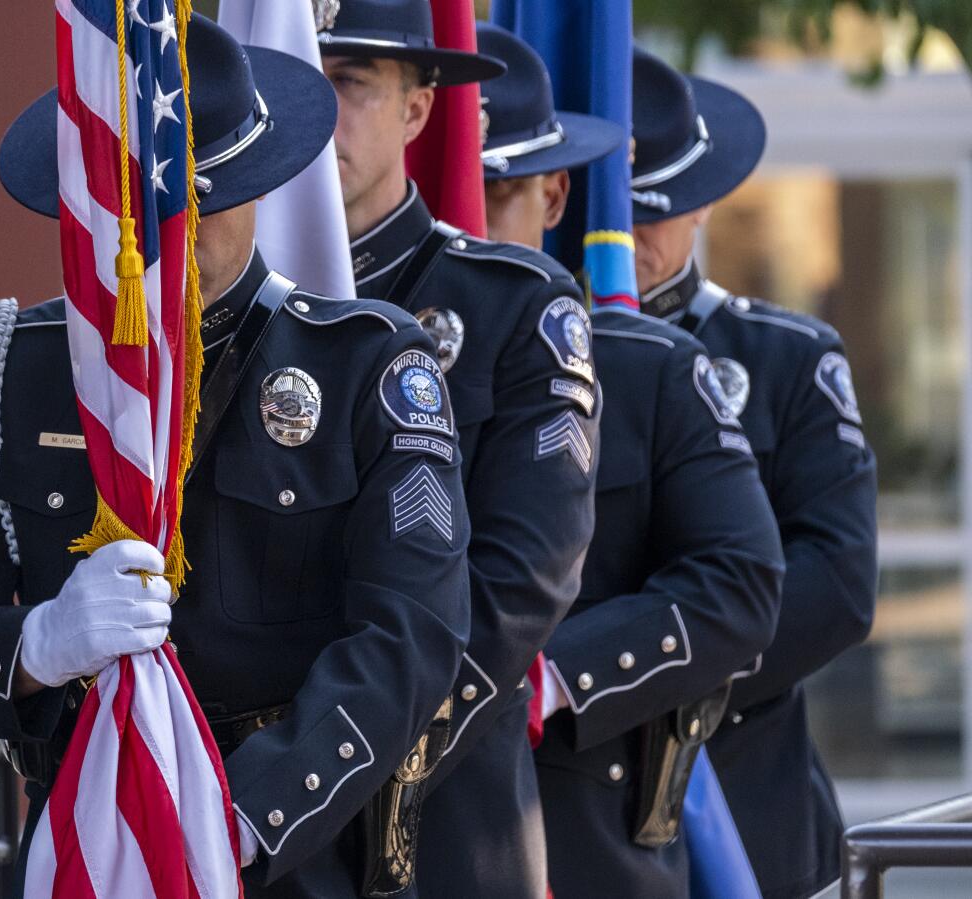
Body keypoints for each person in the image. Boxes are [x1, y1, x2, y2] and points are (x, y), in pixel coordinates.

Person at [0, 16, 473, 898]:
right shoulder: (13, 366)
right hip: (91, 841)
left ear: (262, 185)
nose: (172, 227)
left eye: (207, 194)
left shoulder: (363, 362)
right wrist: (38, 645)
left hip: (285, 851)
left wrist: (223, 821)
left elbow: (410, 640)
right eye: (141, 201)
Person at [477, 23, 786, 898]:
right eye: (455, 183)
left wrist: (560, 676)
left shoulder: (646, 368)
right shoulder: (366, 354)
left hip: (588, 823)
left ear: (553, 197)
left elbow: (741, 581)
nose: (473, 215)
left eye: (500, 193)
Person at [316, 4, 611, 895]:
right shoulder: (209, 309)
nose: (318, 112)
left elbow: (522, 579)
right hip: (245, 823)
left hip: (436, 823)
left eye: (350, 85)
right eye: (297, 80)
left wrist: (318, 765)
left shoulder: (512, 306)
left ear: (416, 112)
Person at [631, 49, 879, 899]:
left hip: (743, 783)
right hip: (569, 799)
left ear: (699, 200)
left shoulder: (784, 357)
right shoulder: (532, 351)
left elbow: (839, 582)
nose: (624, 234)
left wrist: (643, 665)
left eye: (650, 210)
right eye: (606, 207)